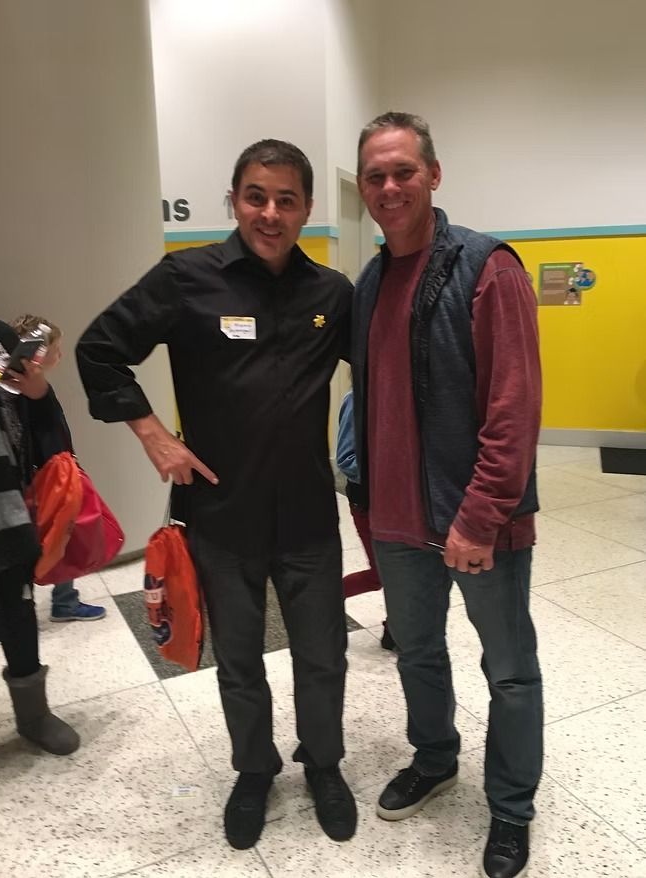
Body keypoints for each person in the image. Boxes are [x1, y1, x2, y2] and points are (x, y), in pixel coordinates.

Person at [76, 140, 357, 849]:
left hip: (307, 516)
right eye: (256, 196)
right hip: (222, 516)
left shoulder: (332, 294)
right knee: (238, 658)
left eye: (286, 199)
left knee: (323, 654)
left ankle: (324, 764)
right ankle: (254, 771)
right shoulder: (186, 278)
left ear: (307, 209)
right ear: (233, 200)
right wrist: (153, 436)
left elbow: (385, 373)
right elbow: (99, 350)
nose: (270, 213)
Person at [351, 113, 542, 878]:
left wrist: (480, 516)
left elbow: (514, 410)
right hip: (398, 522)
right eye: (375, 176)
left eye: (403, 171)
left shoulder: (489, 267)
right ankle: (434, 759)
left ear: (433, 174)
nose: (389, 187)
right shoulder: (370, 283)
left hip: (478, 524)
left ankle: (512, 809)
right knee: (418, 654)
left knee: (510, 670)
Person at [0, 318, 80, 756]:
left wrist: (38, 391)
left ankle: (33, 715)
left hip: (7, 509)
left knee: (18, 611)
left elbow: (47, 434)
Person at [11, 315, 106, 623]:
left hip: (37, 475)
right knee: (62, 534)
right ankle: (64, 602)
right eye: (56, 349)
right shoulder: (34, 387)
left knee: (53, 535)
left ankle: (42, 603)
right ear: (37, 354)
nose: (60, 355)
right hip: (51, 476)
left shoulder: (11, 388)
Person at [335, 389, 393, 650]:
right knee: (380, 574)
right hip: (367, 504)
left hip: (401, 507)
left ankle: (395, 628)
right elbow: (346, 460)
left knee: (401, 574)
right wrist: (395, 470)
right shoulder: (356, 399)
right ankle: (325, 600)